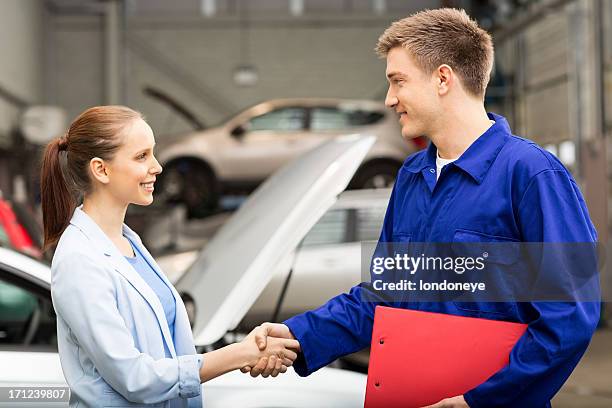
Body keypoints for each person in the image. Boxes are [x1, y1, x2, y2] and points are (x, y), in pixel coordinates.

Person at [246, 8, 601, 408]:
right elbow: (383, 297)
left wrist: (479, 401)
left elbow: (568, 318)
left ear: (443, 79)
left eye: (398, 81)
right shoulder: (413, 175)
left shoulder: (533, 175)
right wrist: (296, 336)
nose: (389, 99)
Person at [41, 106, 300, 407]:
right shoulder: (79, 260)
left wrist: (248, 350)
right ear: (101, 169)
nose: (157, 167)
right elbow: (135, 378)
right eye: (142, 156)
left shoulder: (128, 241)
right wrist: (239, 354)